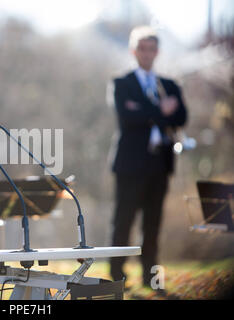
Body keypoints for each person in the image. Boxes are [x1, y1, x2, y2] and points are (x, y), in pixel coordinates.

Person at [110, 26, 187, 286]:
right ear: (134, 51)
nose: (146, 53)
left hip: (159, 163)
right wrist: (159, 109)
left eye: (151, 48)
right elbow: (127, 118)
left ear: (157, 52)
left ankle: (150, 278)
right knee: (124, 221)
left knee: (153, 225)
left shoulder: (169, 84)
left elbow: (181, 117)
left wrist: (146, 110)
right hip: (130, 165)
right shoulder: (122, 84)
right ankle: (117, 276)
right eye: (141, 48)